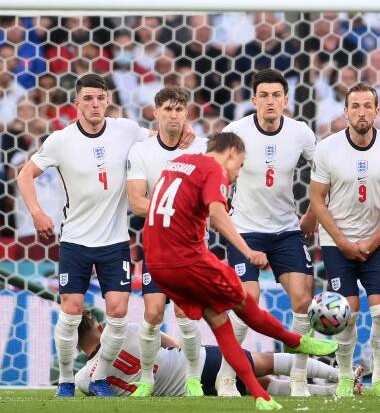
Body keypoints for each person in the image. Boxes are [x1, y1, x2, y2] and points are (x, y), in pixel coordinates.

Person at [16, 74, 192, 398]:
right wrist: (38, 213)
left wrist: (182, 131)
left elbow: (159, 138)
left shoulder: (125, 129)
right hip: (76, 239)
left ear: (107, 101)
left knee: (119, 310)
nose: (95, 104)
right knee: (70, 309)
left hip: (114, 240)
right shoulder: (60, 140)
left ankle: (100, 375)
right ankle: (66, 380)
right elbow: (25, 173)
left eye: (100, 98)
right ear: (77, 103)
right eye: (88, 99)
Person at [142, 132, 337, 411]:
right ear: (231, 152)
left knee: (220, 322)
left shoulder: (177, 163)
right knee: (247, 306)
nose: (237, 174)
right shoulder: (213, 169)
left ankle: (259, 394)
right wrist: (247, 251)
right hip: (188, 261)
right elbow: (218, 213)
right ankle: (295, 341)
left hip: (158, 265)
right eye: (241, 165)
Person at [221, 69, 318, 397]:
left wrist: (311, 217)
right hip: (245, 230)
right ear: (254, 100)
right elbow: (216, 175)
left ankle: (298, 378)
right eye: (264, 95)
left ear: (286, 100)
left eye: (276, 95)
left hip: (286, 229)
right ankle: (225, 377)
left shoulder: (301, 133)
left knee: (304, 300)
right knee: (248, 301)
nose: (270, 101)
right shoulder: (236, 132)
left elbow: (323, 178)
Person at [310, 83, 380, 397]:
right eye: (355, 106)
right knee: (346, 315)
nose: (362, 112)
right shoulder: (327, 148)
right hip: (336, 244)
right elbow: (316, 198)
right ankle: (343, 377)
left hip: (377, 243)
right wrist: (341, 241)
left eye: (368, 106)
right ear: (346, 111)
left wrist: (374, 239)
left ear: (377, 111)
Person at [125, 86, 208, 397]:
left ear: (186, 114)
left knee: (187, 313)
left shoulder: (201, 148)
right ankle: (146, 379)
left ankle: (193, 380)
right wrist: (178, 208)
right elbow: (136, 201)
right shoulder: (141, 151)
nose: (173, 115)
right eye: (167, 109)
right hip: (158, 244)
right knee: (152, 314)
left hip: (192, 245)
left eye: (179, 110)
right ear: (155, 112)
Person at [73, 310, 358, 397]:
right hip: (192, 365)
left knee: (261, 385)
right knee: (259, 364)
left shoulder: (84, 379)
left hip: (181, 395)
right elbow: (164, 340)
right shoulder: (123, 330)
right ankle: (340, 375)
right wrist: (184, 348)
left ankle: (334, 392)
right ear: (99, 328)